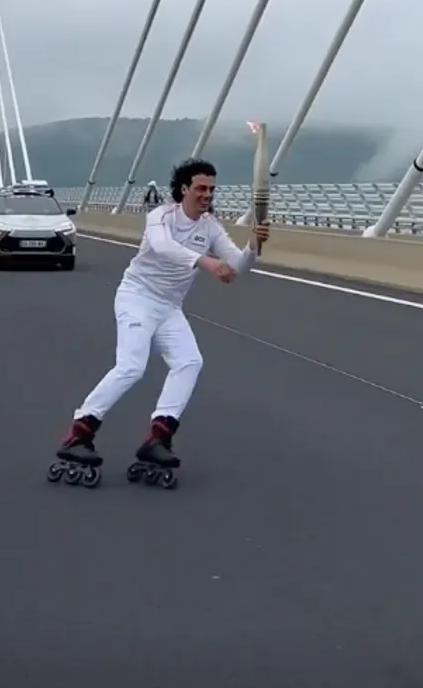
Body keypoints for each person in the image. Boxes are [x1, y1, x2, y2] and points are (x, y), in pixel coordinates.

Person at [55, 158, 269, 474]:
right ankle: (79, 433)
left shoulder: (210, 227)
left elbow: (236, 268)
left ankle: (159, 437)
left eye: (211, 188)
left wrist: (254, 246)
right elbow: (162, 246)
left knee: (189, 362)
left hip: (169, 307)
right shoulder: (161, 216)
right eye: (200, 188)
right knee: (131, 366)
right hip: (137, 297)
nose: (207, 194)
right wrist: (207, 263)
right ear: (184, 189)